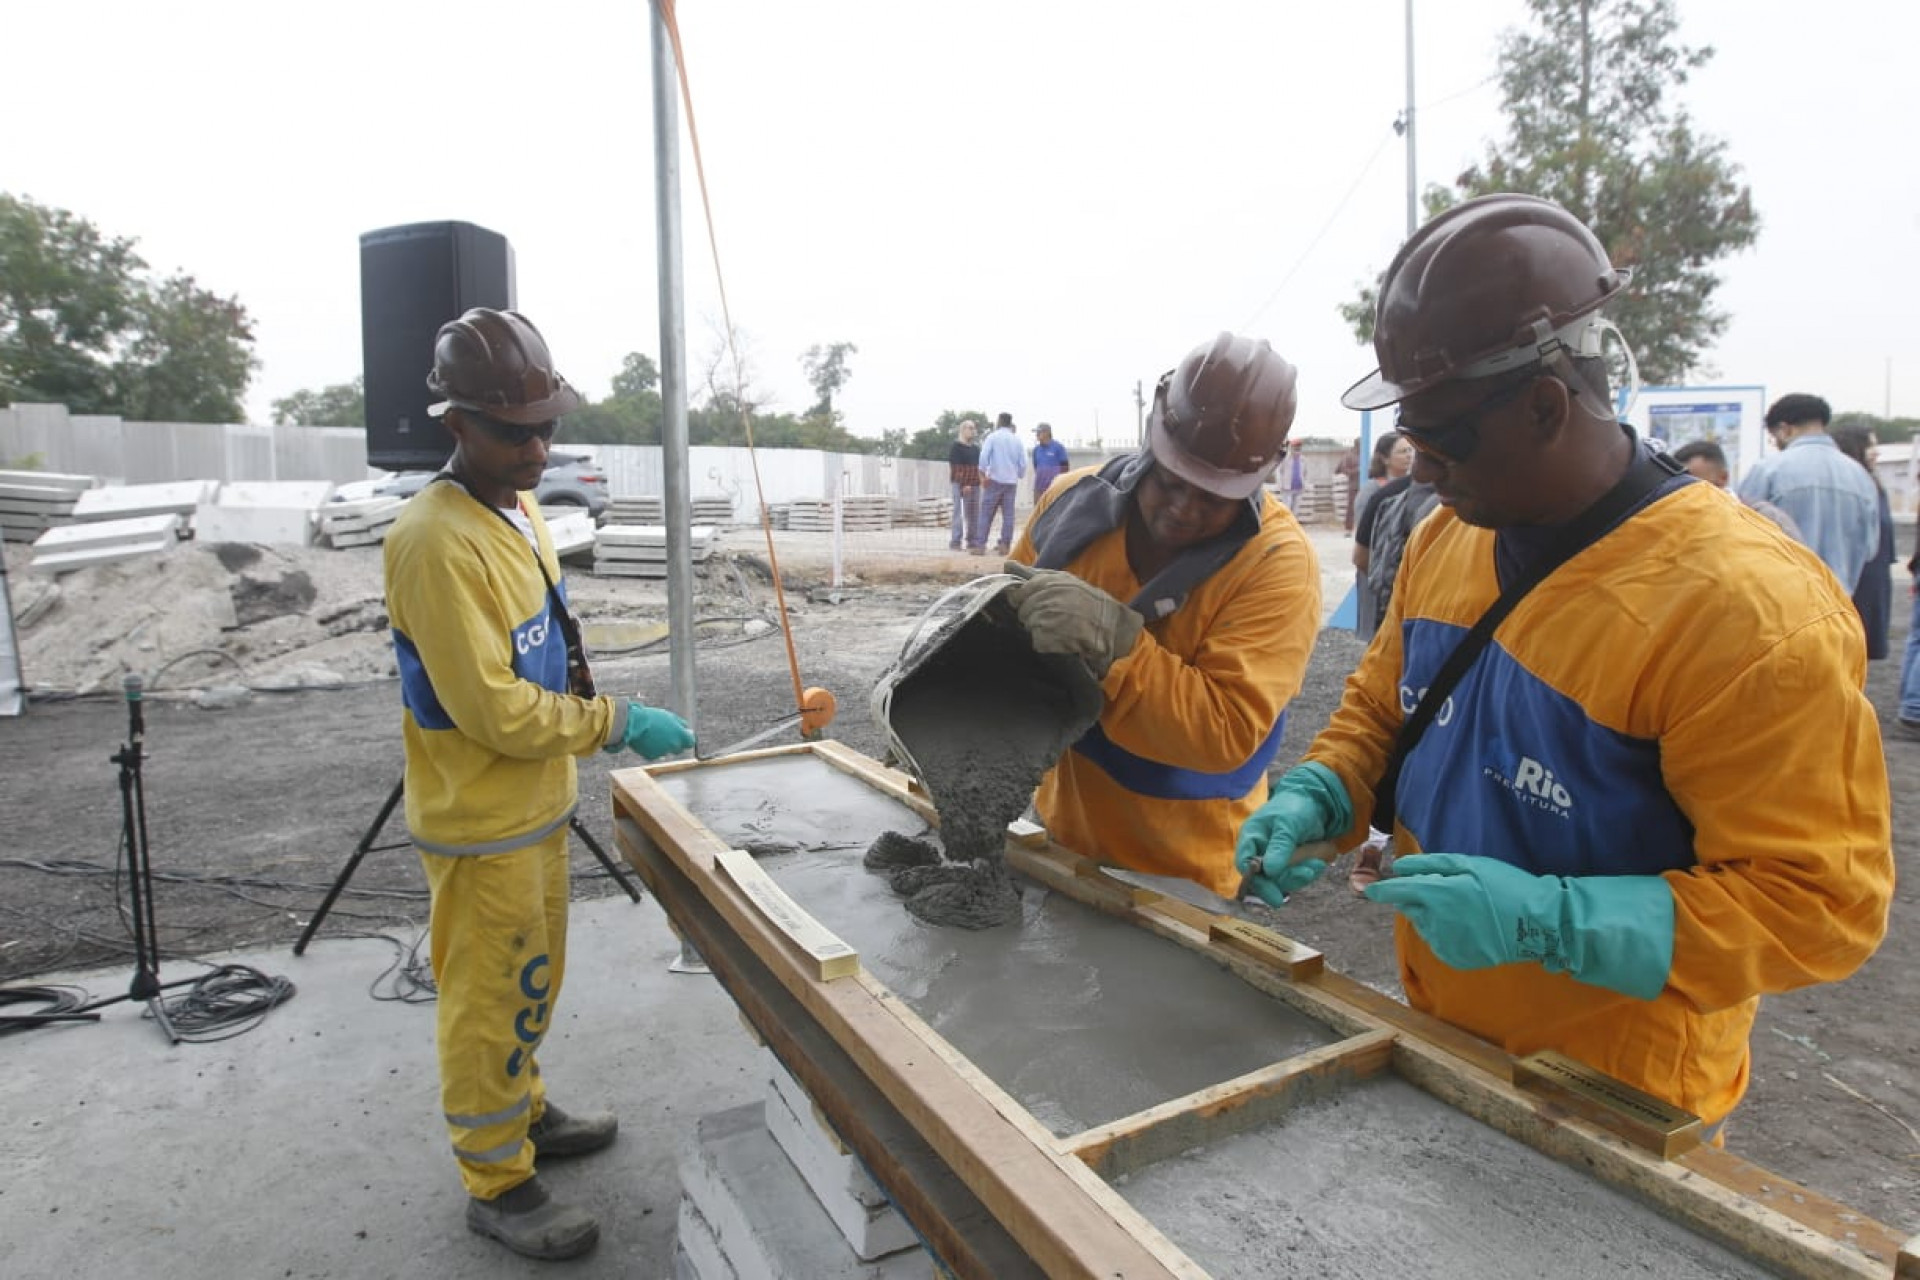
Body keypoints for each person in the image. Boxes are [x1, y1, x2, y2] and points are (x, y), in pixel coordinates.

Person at [1234, 194, 1892, 1132]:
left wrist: (1553, 923)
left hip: (1622, 1095)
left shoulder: (1748, 616)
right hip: (1439, 1037)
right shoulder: (1446, 539)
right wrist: (1325, 796)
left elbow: (1818, 907)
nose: (1417, 469)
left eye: (1439, 439)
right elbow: (1386, 715)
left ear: (1545, 406)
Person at [384, 308, 695, 1260]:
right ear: (456, 424)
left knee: (531, 981)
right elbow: (493, 711)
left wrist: (585, 716)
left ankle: (522, 1108)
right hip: (481, 821)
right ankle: (498, 1180)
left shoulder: (512, 511)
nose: (536, 447)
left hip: (534, 806)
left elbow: (543, 653)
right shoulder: (435, 541)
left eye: (546, 426)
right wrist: (614, 722)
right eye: (513, 431)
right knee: (489, 1001)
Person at [1004, 333, 1320, 898]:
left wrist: (1113, 644)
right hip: (1062, 838)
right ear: (1153, 434)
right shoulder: (1070, 504)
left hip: (1186, 874)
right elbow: (998, 628)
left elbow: (1226, 731)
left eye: (1213, 498)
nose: (1183, 509)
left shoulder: (1275, 563)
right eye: (1172, 481)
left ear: (1264, 473)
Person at [1737, 393, 1879, 591]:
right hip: (1840, 608)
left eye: (1773, 438)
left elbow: (1740, 538)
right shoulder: (1861, 477)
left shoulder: (1767, 471)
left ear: (1784, 430)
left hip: (1783, 604)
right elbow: (1870, 550)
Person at [1832, 422, 1895, 659]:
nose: (1876, 452)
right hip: (1858, 578)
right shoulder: (1854, 485)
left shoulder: (1872, 484)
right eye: (1871, 446)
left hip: (1873, 574)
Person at [1669, 439, 1803, 541]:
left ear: (1723, 478)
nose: (1685, 493)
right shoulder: (1674, 525)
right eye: (1679, 485)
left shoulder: (1767, 519)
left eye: (1694, 485)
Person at [1351, 433, 1415, 640]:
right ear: (1385, 458)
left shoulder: (1415, 489)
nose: (1408, 456)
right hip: (1375, 572)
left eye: (1410, 450)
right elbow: (1364, 543)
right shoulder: (1372, 492)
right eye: (1402, 451)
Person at [976, 411, 1026, 554]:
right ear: (1010, 422)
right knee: (1008, 515)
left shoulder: (992, 437)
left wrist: (982, 473)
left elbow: (984, 456)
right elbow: (1023, 462)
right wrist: (1019, 474)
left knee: (986, 513)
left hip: (994, 480)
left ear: (999, 421)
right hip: (1010, 482)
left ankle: (980, 545)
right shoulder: (1016, 440)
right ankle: (1005, 545)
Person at [947, 418, 982, 551]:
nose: (973, 431)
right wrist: (964, 484)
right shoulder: (956, 447)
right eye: (970, 428)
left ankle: (972, 540)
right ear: (963, 430)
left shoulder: (975, 449)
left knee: (974, 513)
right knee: (959, 513)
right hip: (960, 484)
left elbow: (978, 467)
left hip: (975, 485)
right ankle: (956, 541)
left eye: (974, 428)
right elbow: (956, 468)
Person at [1031, 422, 1070, 501]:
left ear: (1047, 433)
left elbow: (1065, 467)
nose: (1037, 434)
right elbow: (1036, 467)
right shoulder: (1036, 450)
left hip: (1055, 488)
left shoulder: (1058, 447)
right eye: (1036, 432)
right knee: (1039, 511)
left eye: (1039, 432)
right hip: (1039, 488)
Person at [1335, 440, 1361, 532]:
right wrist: (1357, 471)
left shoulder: (1366, 454)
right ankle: (1348, 528)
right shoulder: (1349, 456)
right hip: (1353, 485)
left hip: (1364, 485)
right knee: (1351, 507)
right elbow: (1343, 469)